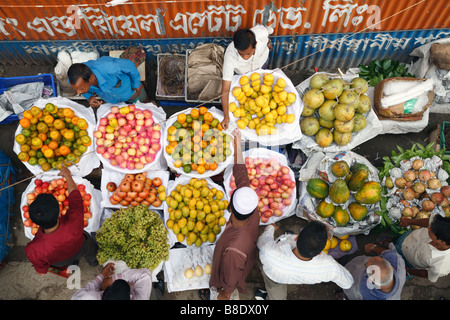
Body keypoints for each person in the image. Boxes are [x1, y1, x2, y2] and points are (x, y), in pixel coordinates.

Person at [204, 129, 260, 300]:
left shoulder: (234, 250)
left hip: (233, 269)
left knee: (226, 282)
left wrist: (224, 294)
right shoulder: (251, 209)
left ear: (230, 208)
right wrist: (237, 141)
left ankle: (216, 292)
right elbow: (241, 172)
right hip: (246, 249)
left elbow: (231, 277)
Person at [24, 165, 98, 276]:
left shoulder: (33, 249)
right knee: (91, 250)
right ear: (59, 213)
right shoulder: (75, 220)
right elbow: (75, 195)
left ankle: (73, 265)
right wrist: (67, 175)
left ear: (35, 221)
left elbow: (41, 272)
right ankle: (94, 262)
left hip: (60, 261)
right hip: (81, 245)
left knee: (69, 261)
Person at [255, 221, 354, 300]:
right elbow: (348, 282)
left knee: (275, 292)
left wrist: (270, 228)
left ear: (297, 238)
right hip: (297, 275)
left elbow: (262, 241)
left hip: (275, 275)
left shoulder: (270, 253)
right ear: (320, 252)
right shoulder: (329, 267)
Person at [220, 25, 273, 130]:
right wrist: (226, 117)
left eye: (248, 53)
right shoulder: (230, 56)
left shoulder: (261, 32)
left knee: (263, 83)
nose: (245, 57)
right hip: (242, 72)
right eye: (241, 54)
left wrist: (269, 44)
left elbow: (268, 35)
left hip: (260, 63)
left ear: (255, 45)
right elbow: (225, 89)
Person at [67, 55, 147, 107]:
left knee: (145, 104)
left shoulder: (109, 68)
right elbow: (79, 87)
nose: (78, 93)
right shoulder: (74, 79)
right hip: (112, 100)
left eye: (81, 89)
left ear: (91, 78)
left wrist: (136, 83)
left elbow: (129, 65)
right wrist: (89, 97)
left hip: (130, 92)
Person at [340, 242, 406, 300]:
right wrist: (373, 248)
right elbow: (388, 253)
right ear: (391, 268)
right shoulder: (397, 261)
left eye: (366, 265)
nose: (366, 262)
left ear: (370, 280)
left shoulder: (361, 293)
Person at [395, 213, 450, 282]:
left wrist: (408, 270)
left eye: (431, 230)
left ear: (442, 242)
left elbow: (427, 274)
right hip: (407, 238)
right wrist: (410, 221)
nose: (428, 228)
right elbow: (430, 222)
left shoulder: (442, 265)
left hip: (409, 262)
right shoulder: (443, 225)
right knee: (395, 244)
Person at [71, 262, 164, 300]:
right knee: (152, 293)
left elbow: (88, 288)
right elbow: (145, 275)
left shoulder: (87, 297)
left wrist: (102, 276)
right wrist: (114, 279)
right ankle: (159, 291)